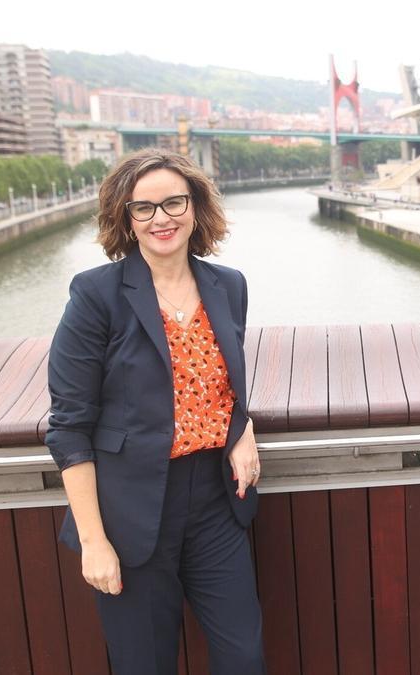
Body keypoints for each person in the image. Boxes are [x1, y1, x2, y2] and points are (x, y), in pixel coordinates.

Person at [47, 149, 266, 674]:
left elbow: (218, 382)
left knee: (244, 657)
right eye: (142, 208)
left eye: (173, 202)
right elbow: (70, 425)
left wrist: (243, 428)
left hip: (215, 502)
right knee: (145, 665)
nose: (160, 218)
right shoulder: (96, 295)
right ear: (125, 218)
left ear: (196, 207)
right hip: (130, 514)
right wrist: (94, 542)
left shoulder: (227, 285)